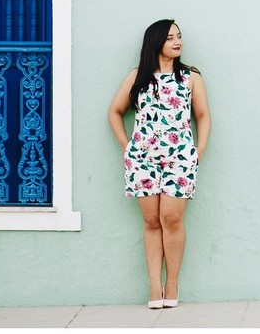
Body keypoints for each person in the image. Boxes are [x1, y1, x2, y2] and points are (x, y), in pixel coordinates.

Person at [108, 19, 212, 309]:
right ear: (156, 42)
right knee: (151, 221)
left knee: (172, 218)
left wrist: (198, 150)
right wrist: (126, 147)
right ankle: (154, 285)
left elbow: (202, 115)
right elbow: (115, 112)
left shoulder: (191, 78)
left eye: (179, 37)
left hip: (180, 158)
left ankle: (172, 283)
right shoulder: (137, 77)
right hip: (142, 159)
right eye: (170, 38)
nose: (178, 42)